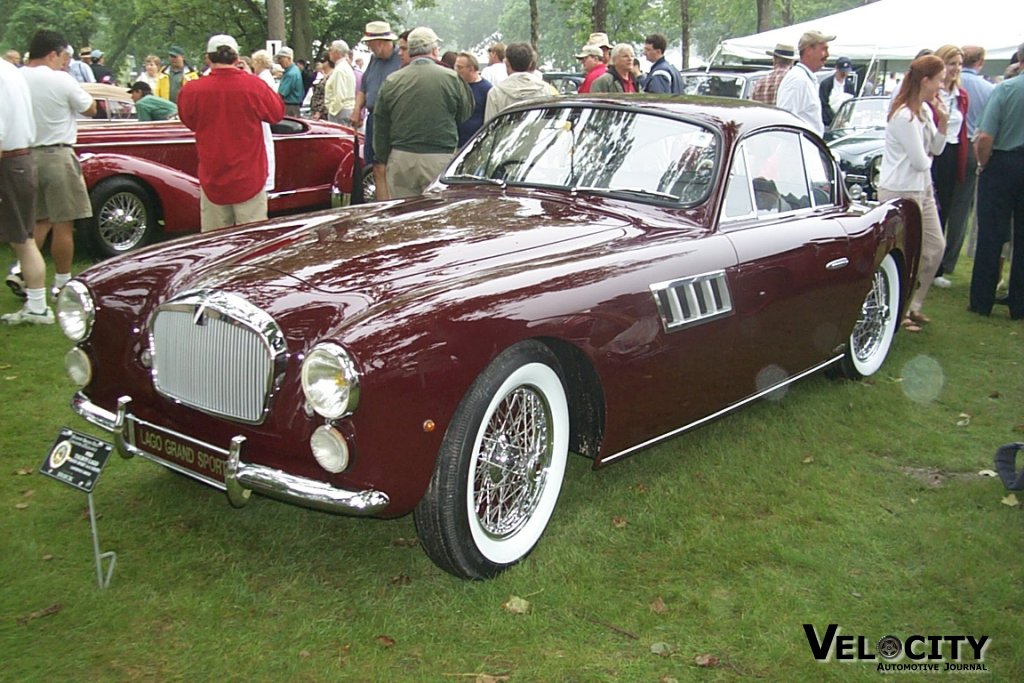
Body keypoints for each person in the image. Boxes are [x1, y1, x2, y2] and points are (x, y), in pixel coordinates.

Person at [177, 34, 284, 232]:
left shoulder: (192, 90)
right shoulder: (254, 86)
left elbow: (190, 122)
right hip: (249, 176)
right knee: (252, 240)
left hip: (213, 175)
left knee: (215, 241)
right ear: (236, 58)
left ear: (208, 58)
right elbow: (276, 113)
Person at [20, 29, 96, 302]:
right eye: (64, 56)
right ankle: (62, 282)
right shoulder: (61, 80)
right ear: (53, 54)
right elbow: (90, 108)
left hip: (24, 155)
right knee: (63, 223)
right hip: (57, 154)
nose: (66, 62)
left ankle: (25, 276)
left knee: (34, 223)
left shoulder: (16, 77)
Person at [876, 54, 948, 332]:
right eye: (939, 80)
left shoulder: (925, 112)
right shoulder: (903, 116)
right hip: (901, 189)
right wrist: (928, 156)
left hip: (922, 187)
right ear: (925, 80)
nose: (941, 86)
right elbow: (920, 160)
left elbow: (936, 149)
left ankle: (914, 304)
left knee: (935, 247)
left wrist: (943, 122)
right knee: (907, 254)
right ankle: (899, 310)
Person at [372, 27, 473, 199]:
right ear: (434, 50)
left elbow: (381, 124)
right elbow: (465, 113)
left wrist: (381, 158)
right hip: (439, 156)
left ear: (410, 50)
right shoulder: (452, 78)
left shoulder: (392, 80)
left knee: (402, 210)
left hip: (402, 157)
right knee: (437, 210)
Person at [969, 43, 1024, 320]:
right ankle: (1020, 303)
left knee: (991, 234)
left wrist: (984, 162)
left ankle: (982, 300)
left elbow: (986, 135)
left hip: (1003, 162)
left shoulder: (1006, 89)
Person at [0, 57, 53, 325]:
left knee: (23, 239)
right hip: (21, 159)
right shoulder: (11, 71)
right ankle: (37, 306)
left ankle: (39, 308)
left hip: (9, 162)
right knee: (24, 239)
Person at [929, 45, 969, 289]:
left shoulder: (961, 95)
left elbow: (962, 128)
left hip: (952, 152)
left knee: (944, 208)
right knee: (928, 208)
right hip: (932, 152)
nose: (956, 69)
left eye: (959, 64)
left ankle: (937, 268)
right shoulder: (933, 93)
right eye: (951, 63)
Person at [351, 21, 401, 169]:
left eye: (370, 44)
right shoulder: (374, 60)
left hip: (392, 119)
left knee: (388, 161)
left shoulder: (401, 59)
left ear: (379, 43)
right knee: (373, 161)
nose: (369, 47)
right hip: (373, 117)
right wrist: (357, 110)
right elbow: (364, 87)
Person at [777, 30, 834, 135]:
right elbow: (784, 123)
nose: (827, 54)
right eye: (823, 49)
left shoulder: (805, 78)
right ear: (809, 50)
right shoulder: (797, 80)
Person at [484, 43, 552, 121]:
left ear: (507, 62)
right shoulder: (545, 89)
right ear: (530, 63)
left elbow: (490, 124)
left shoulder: (495, 93)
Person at [454, 52, 492, 146]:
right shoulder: (455, 86)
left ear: (471, 69)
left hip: (476, 142)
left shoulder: (486, 89)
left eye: (459, 67)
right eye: (455, 66)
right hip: (456, 141)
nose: (456, 70)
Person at [818, 56, 856, 128]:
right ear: (836, 68)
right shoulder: (826, 84)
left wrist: (845, 119)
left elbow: (852, 103)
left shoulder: (850, 85)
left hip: (844, 122)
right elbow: (823, 104)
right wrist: (834, 119)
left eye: (846, 71)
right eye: (842, 71)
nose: (844, 74)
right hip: (828, 123)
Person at [325, 40, 356, 124]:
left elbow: (340, 95)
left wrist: (332, 111)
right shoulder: (345, 67)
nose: (329, 52)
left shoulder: (340, 70)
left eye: (331, 49)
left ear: (337, 52)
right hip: (345, 110)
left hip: (340, 112)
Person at [275, 47, 305, 116]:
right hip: (293, 106)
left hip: (290, 107)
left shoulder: (291, 74)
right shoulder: (294, 70)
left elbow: (282, 94)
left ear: (288, 58)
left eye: (281, 58)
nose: (279, 62)